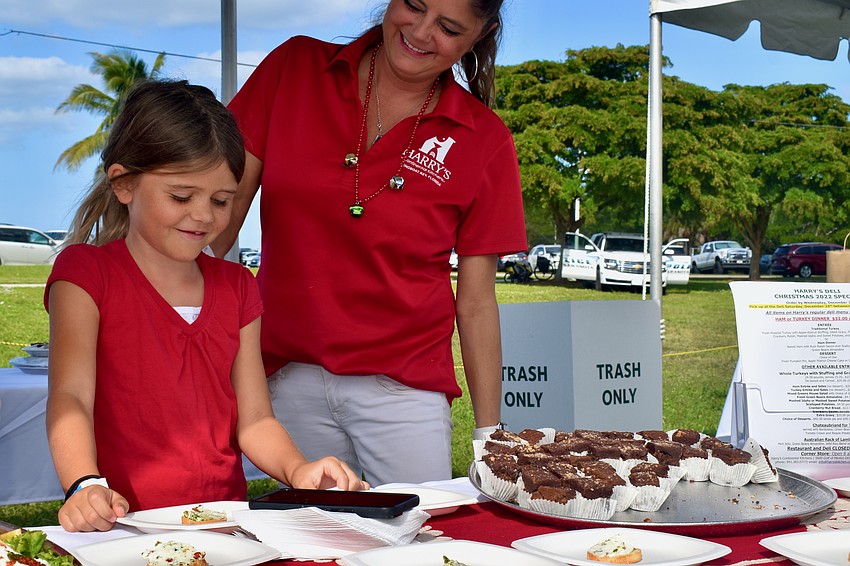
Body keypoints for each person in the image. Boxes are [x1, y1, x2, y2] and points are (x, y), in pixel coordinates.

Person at [212, 0, 527, 486]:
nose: (420, 33)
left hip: (405, 393)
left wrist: (489, 435)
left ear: (478, 37)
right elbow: (217, 215)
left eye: (447, 28)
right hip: (286, 376)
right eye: (413, 6)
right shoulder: (294, 68)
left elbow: (478, 302)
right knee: (311, 549)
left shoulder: (485, 139)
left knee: (412, 546)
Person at [45, 79, 367, 533]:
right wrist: (83, 484)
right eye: (181, 196)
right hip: (121, 525)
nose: (203, 216)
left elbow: (254, 420)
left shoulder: (237, 286)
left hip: (222, 525)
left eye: (221, 201)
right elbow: (71, 398)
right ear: (123, 184)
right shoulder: (86, 274)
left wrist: (298, 470)